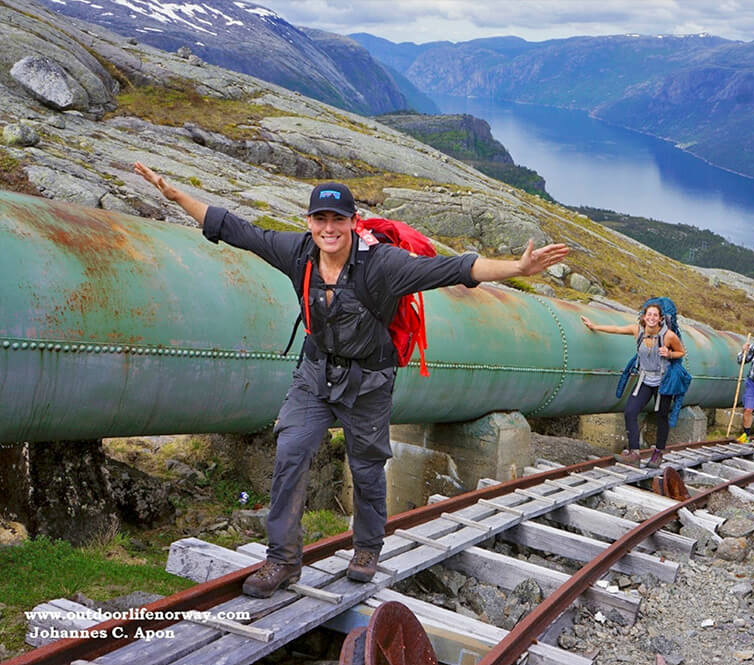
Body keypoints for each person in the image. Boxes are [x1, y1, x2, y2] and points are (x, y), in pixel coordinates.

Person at [133, 162, 569, 597]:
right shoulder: (297, 252)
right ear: (309, 222)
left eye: (337, 219)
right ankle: (282, 560)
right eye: (320, 219)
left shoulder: (384, 265)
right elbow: (234, 229)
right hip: (314, 375)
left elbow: (454, 270)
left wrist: (517, 268)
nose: (328, 228)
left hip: (368, 383)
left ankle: (366, 548)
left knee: (366, 466)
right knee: (290, 451)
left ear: (352, 222)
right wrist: (175, 195)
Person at [581, 302, 685, 468]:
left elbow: (681, 352)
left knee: (661, 416)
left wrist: (670, 353)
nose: (651, 318)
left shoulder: (668, 336)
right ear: (644, 317)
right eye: (648, 314)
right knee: (630, 411)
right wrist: (594, 326)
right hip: (644, 379)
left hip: (662, 382)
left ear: (660, 319)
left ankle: (658, 454)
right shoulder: (637, 331)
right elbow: (616, 329)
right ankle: (634, 453)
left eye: (655, 315)